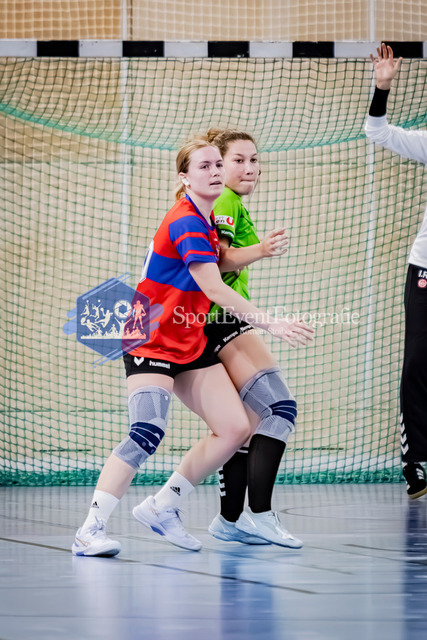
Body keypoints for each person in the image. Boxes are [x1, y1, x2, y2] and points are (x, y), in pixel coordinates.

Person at [72, 138, 315, 556]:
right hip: (150, 337)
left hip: (189, 339)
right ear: (184, 177)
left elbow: (220, 266)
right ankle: (89, 530)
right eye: (204, 166)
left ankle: (164, 505)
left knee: (235, 428)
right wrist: (272, 322)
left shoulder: (207, 222)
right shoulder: (186, 222)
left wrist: (256, 253)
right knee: (146, 432)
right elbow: (214, 288)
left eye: (218, 164)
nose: (216, 171)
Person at [199, 129, 305, 548]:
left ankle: (229, 520)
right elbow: (219, 260)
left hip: (213, 322)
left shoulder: (229, 202)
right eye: (239, 160)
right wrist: (261, 249)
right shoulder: (225, 199)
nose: (250, 168)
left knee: (247, 426)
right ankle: (260, 515)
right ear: (219, 166)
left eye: (255, 160)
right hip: (222, 321)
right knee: (279, 409)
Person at [366, 43, 427, 499]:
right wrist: (383, 86)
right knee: (419, 363)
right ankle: (416, 459)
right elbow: (377, 131)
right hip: (426, 269)